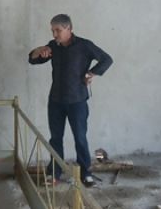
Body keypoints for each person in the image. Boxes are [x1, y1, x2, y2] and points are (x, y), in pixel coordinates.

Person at [28, 14, 113, 187]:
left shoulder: (84, 45)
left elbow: (107, 59)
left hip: (77, 101)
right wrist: (38, 51)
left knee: (80, 137)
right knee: (55, 139)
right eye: (52, 30)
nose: (54, 34)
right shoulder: (53, 46)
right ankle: (54, 173)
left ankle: (85, 173)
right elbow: (33, 60)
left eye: (58, 30)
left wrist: (92, 73)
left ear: (69, 28)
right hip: (56, 101)